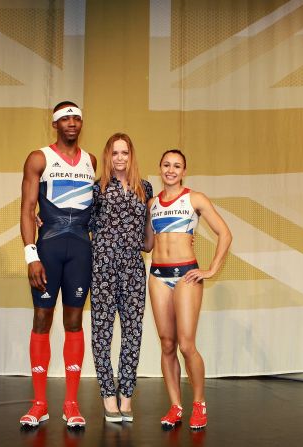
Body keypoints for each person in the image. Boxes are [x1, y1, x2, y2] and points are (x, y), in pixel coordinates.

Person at [19, 101, 97, 428]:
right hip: (48, 250)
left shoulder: (91, 161)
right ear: (55, 124)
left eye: (77, 117)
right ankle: (39, 404)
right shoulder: (39, 158)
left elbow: (99, 210)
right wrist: (31, 255)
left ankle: (71, 403)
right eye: (65, 118)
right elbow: (26, 209)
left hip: (80, 250)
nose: (71, 122)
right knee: (41, 319)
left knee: (75, 321)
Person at [146, 149, 232, 430]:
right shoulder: (152, 204)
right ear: (160, 168)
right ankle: (175, 406)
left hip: (186, 275)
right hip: (158, 275)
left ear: (184, 171)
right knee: (167, 343)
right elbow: (146, 244)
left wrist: (211, 269)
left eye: (177, 166)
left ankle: (199, 403)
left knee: (186, 344)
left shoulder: (195, 198)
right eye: (167, 165)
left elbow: (225, 233)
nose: (171, 170)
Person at [89, 133, 153, 423]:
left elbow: (149, 236)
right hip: (103, 266)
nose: (119, 158)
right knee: (102, 333)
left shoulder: (146, 188)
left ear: (131, 155)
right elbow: (82, 223)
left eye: (124, 152)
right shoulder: (97, 189)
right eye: (114, 153)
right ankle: (108, 397)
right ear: (108, 156)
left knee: (133, 333)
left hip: (133, 268)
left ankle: (126, 396)